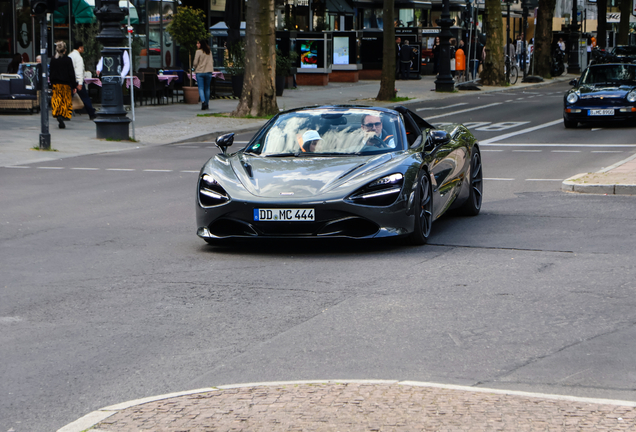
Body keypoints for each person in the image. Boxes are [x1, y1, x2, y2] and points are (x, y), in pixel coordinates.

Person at [49, 41, 77, 129]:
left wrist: (51, 83)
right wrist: (74, 85)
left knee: (57, 100)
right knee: (65, 101)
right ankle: (63, 116)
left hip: (56, 84)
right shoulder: (68, 60)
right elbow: (71, 73)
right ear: (65, 50)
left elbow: (51, 72)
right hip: (66, 85)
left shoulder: (53, 59)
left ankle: (58, 115)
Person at [68, 40, 96, 120]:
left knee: (68, 97)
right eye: (82, 48)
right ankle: (91, 113)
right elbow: (79, 71)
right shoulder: (79, 58)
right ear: (79, 48)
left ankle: (65, 113)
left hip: (71, 80)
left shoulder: (70, 55)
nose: (83, 49)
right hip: (77, 80)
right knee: (85, 97)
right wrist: (80, 82)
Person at [193, 39, 214, 110]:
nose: (197, 45)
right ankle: (207, 103)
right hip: (208, 72)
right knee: (207, 88)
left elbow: (195, 63)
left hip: (200, 71)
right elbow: (212, 61)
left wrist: (194, 67)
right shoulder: (209, 52)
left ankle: (203, 101)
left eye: (198, 43)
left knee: (201, 88)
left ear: (201, 44)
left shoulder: (198, 52)